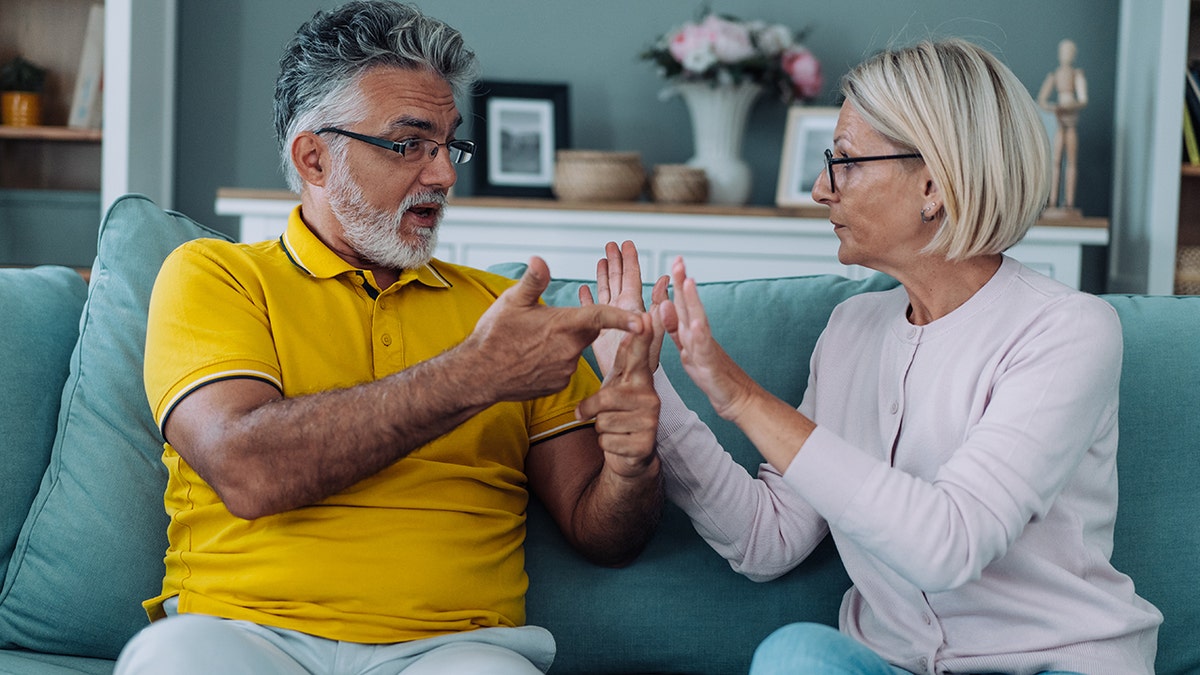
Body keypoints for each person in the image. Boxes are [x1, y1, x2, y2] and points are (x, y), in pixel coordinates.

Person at [114, 2, 663, 674]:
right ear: (314, 158)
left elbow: (602, 534)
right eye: (409, 144)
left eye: (449, 144)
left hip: (455, 650)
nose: (444, 175)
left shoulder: (504, 313)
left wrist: (634, 465)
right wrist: (473, 375)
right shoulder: (216, 276)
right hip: (245, 635)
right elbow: (247, 471)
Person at [588, 39, 1161, 674]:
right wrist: (648, 386)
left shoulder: (1066, 330)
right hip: (894, 663)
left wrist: (742, 397)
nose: (819, 189)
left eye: (845, 161)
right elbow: (766, 539)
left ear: (933, 184)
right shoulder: (850, 331)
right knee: (793, 655)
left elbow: (948, 545)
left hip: (1055, 665)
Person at [1037, 38, 1088, 213]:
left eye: (1069, 51)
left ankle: (1068, 202)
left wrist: (1069, 106)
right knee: (1056, 160)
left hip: (1071, 122)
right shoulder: (1054, 75)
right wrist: (1054, 107)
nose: (1066, 55)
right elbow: (1042, 100)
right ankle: (1052, 201)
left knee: (1071, 162)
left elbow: (1083, 100)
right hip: (1059, 120)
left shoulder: (1077, 75)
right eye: (1064, 51)